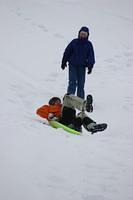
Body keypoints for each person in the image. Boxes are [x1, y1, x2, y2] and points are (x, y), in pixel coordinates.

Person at [36, 94, 107, 134]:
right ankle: (85, 105)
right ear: (52, 102)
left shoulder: (62, 106)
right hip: (61, 120)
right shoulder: (48, 107)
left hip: (72, 123)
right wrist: (48, 115)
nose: (58, 102)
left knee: (81, 114)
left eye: (59, 101)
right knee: (67, 97)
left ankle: (92, 127)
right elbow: (39, 111)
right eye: (56, 101)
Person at [61, 26, 95, 99]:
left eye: (84, 34)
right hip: (72, 65)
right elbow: (67, 52)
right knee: (72, 81)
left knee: (81, 83)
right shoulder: (74, 42)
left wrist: (90, 66)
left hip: (82, 66)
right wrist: (64, 61)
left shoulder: (89, 44)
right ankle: (70, 96)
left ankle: (80, 99)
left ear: (87, 35)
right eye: (81, 34)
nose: (83, 35)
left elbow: (91, 55)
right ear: (79, 34)